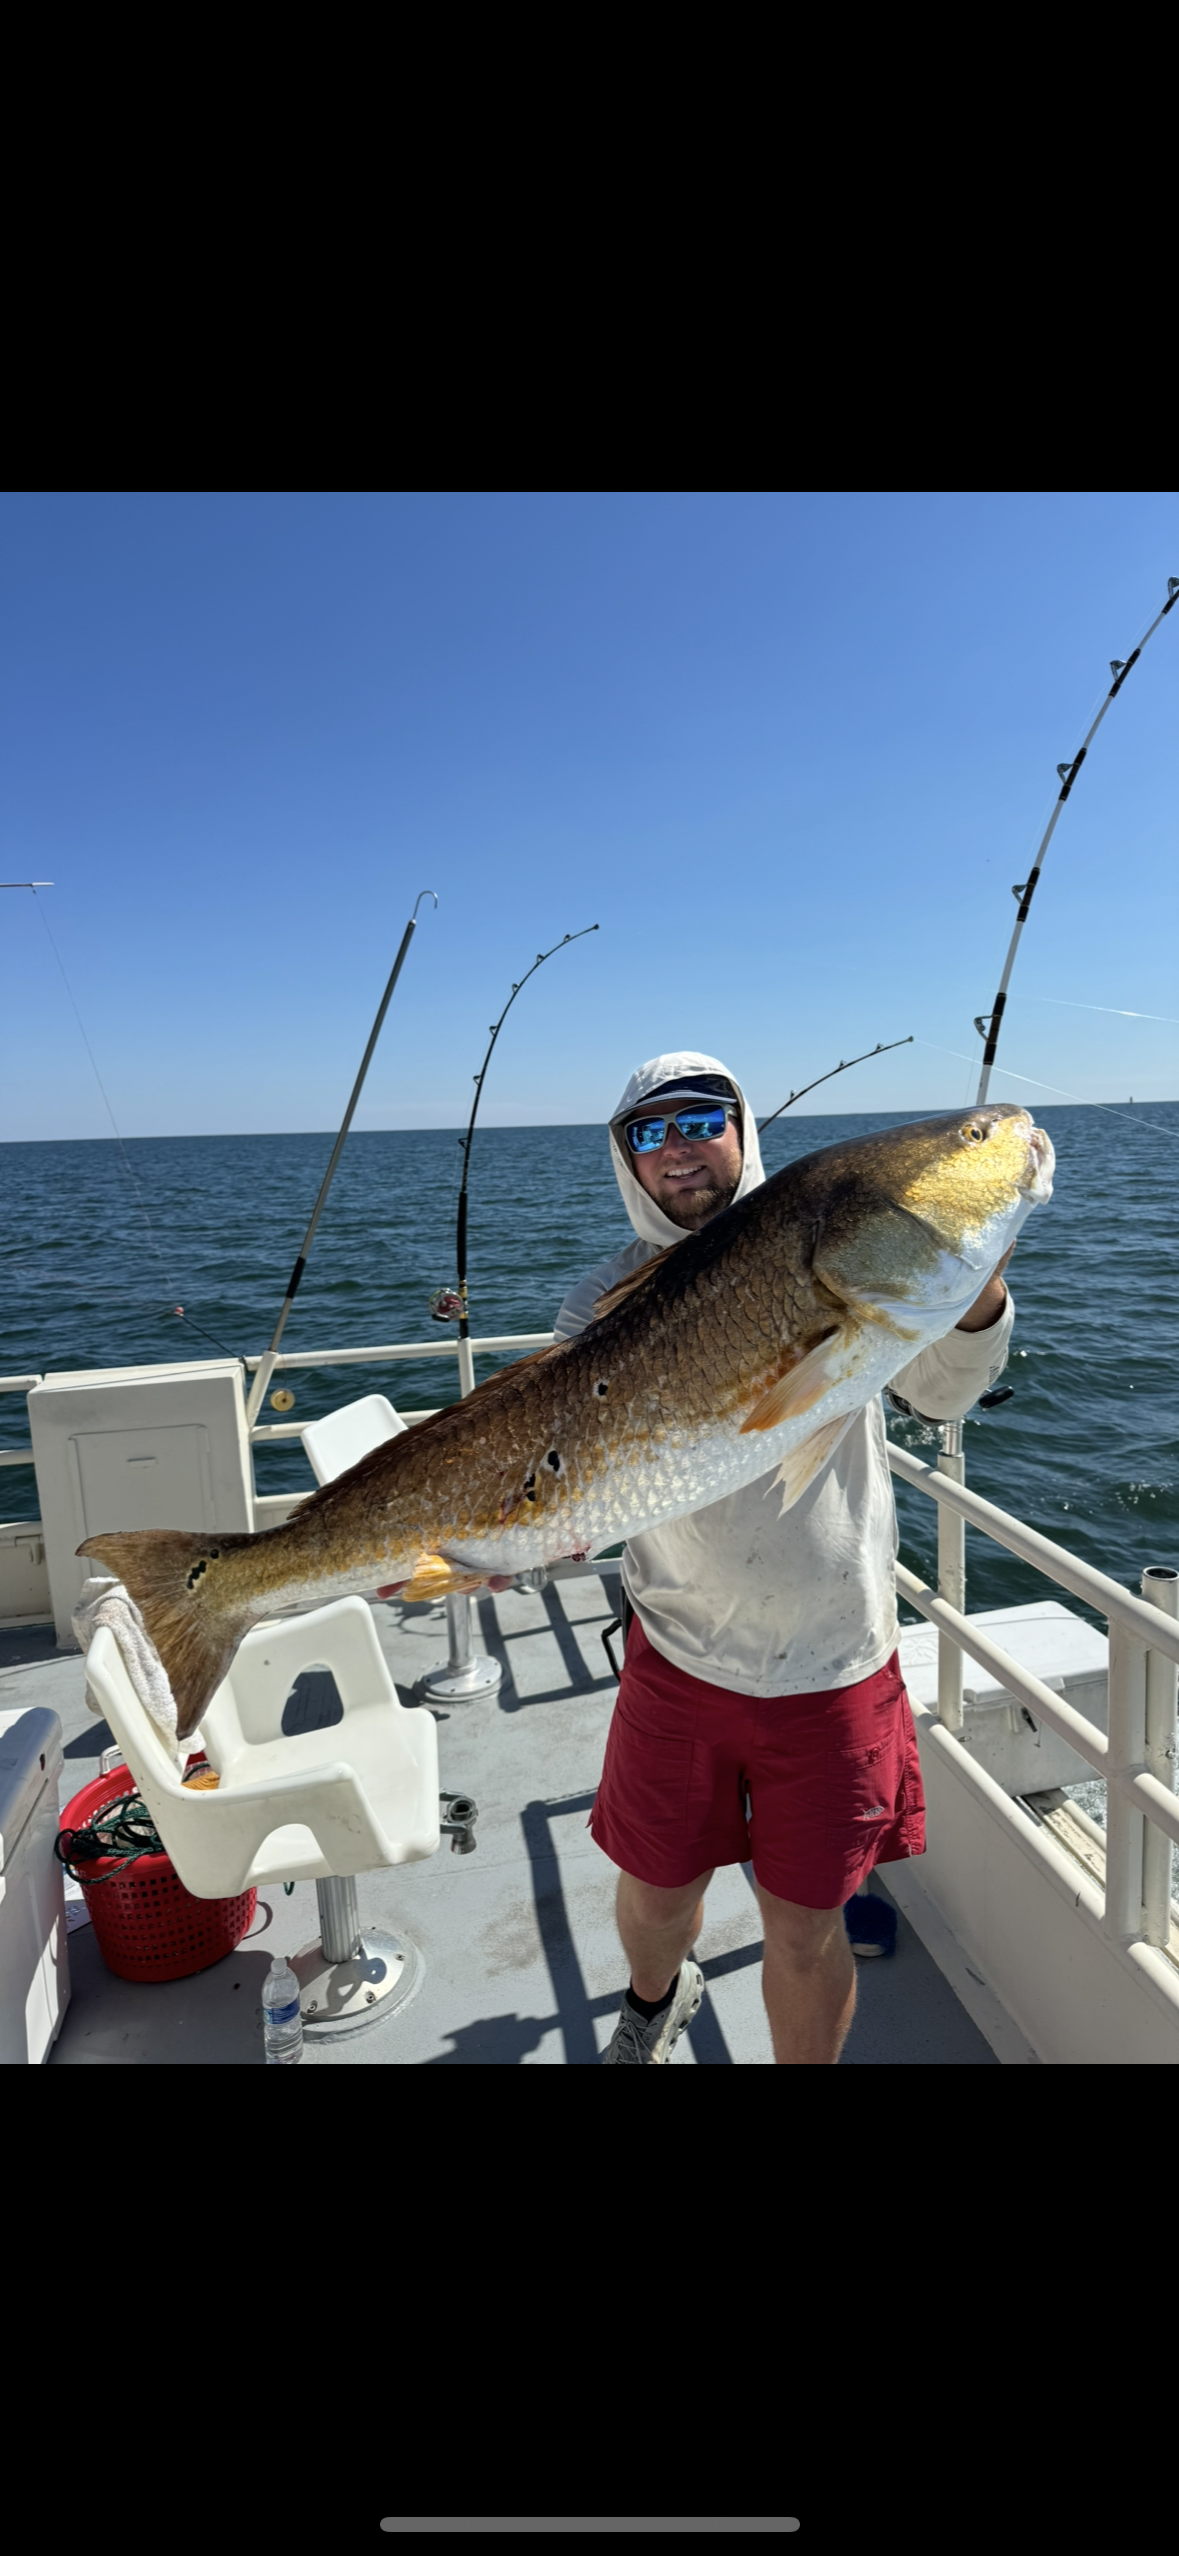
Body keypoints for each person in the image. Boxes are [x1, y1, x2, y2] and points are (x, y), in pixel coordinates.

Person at [552, 1052, 1016, 2066]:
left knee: (805, 1924)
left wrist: (974, 1294)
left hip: (836, 1660)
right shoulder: (599, 1302)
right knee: (657, 1889)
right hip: (678, 1649)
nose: (678, 1148)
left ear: (741, 1128)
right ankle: (652, 2001)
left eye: (700, 1120)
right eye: (650, 1132)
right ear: (627, 1161)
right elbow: (565, 1465)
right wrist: (506, 1540)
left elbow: (940, 1395)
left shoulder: (837, 1246)